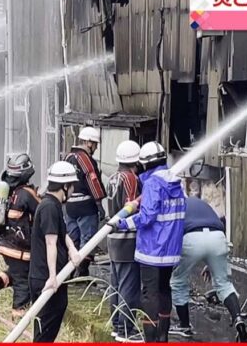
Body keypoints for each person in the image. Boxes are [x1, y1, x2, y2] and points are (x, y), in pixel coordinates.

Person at [110, 141, 186, 343]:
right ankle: (163, 337)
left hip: (152, 250)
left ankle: (150, 339)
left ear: (145, 163)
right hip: (171, 250)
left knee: (149, 294)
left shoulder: (152, 184)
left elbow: (147, 217)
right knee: (164, 290)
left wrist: (123, 223)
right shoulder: (176, 181)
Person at [169, 197, 247, 342]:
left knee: (178, 281)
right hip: (217, 237)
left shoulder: (176, 205)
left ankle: (184, 326)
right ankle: (238, 318)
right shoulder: (200, 203)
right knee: (224, 284)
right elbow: (220, 222)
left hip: (191, 236)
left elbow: (172, 232)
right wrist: (210, 262)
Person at [28, 161, 82, 342]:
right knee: (44, 333)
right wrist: (52, 277)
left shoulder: (52, 205)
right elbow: (51, 242)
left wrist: (72, 248)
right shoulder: (50, 207)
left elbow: (61, 232)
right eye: (72, 186)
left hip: (48, 277)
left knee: (45, 329)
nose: (73, 190)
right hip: (47, 279)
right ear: (65, 186)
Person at [0, 154, 40, 318]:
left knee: (16, 273)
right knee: (24, 282)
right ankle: (18, 317)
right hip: (20, 249)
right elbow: (43, 210)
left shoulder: (7, 191)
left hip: (5, 245)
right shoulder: (27, 194)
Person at [106, 140, 143, 343]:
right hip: (127, 239)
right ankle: (127, 329)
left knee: (116, 284)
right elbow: (131, 206)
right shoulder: (131, 179)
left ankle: (117, 325)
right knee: (129, 285)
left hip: (113, 239)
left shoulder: (112, 177)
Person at [64, 126, 106, 277]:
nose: (95, 147)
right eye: (94, 144)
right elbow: (92, 180)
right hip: (86, 206)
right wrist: (99, 203)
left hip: (69, 206)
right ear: (88, 142)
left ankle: (67, 272)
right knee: (88, 240)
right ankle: (82, 273)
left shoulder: (68, 157)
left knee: (72, 239)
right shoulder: (85, 158)